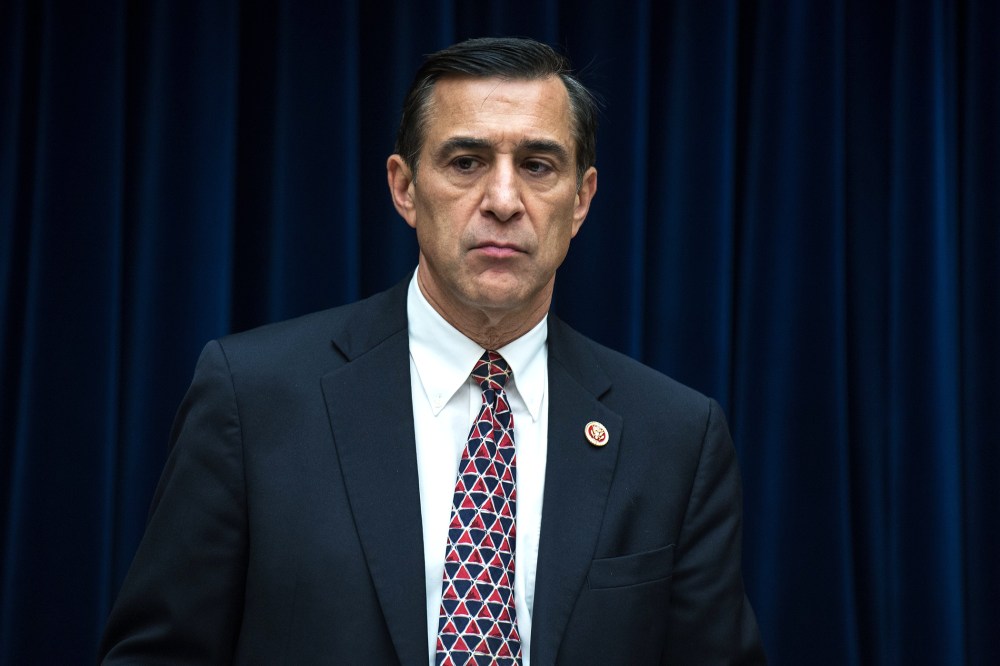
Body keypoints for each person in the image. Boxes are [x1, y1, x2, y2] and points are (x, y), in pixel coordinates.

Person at [100, 37, 765, 665]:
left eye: (537, 166)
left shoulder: (675, 439)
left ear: (582, 199)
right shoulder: (253, 398)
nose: (503, 200)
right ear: (404, 188)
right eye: (466, 162)